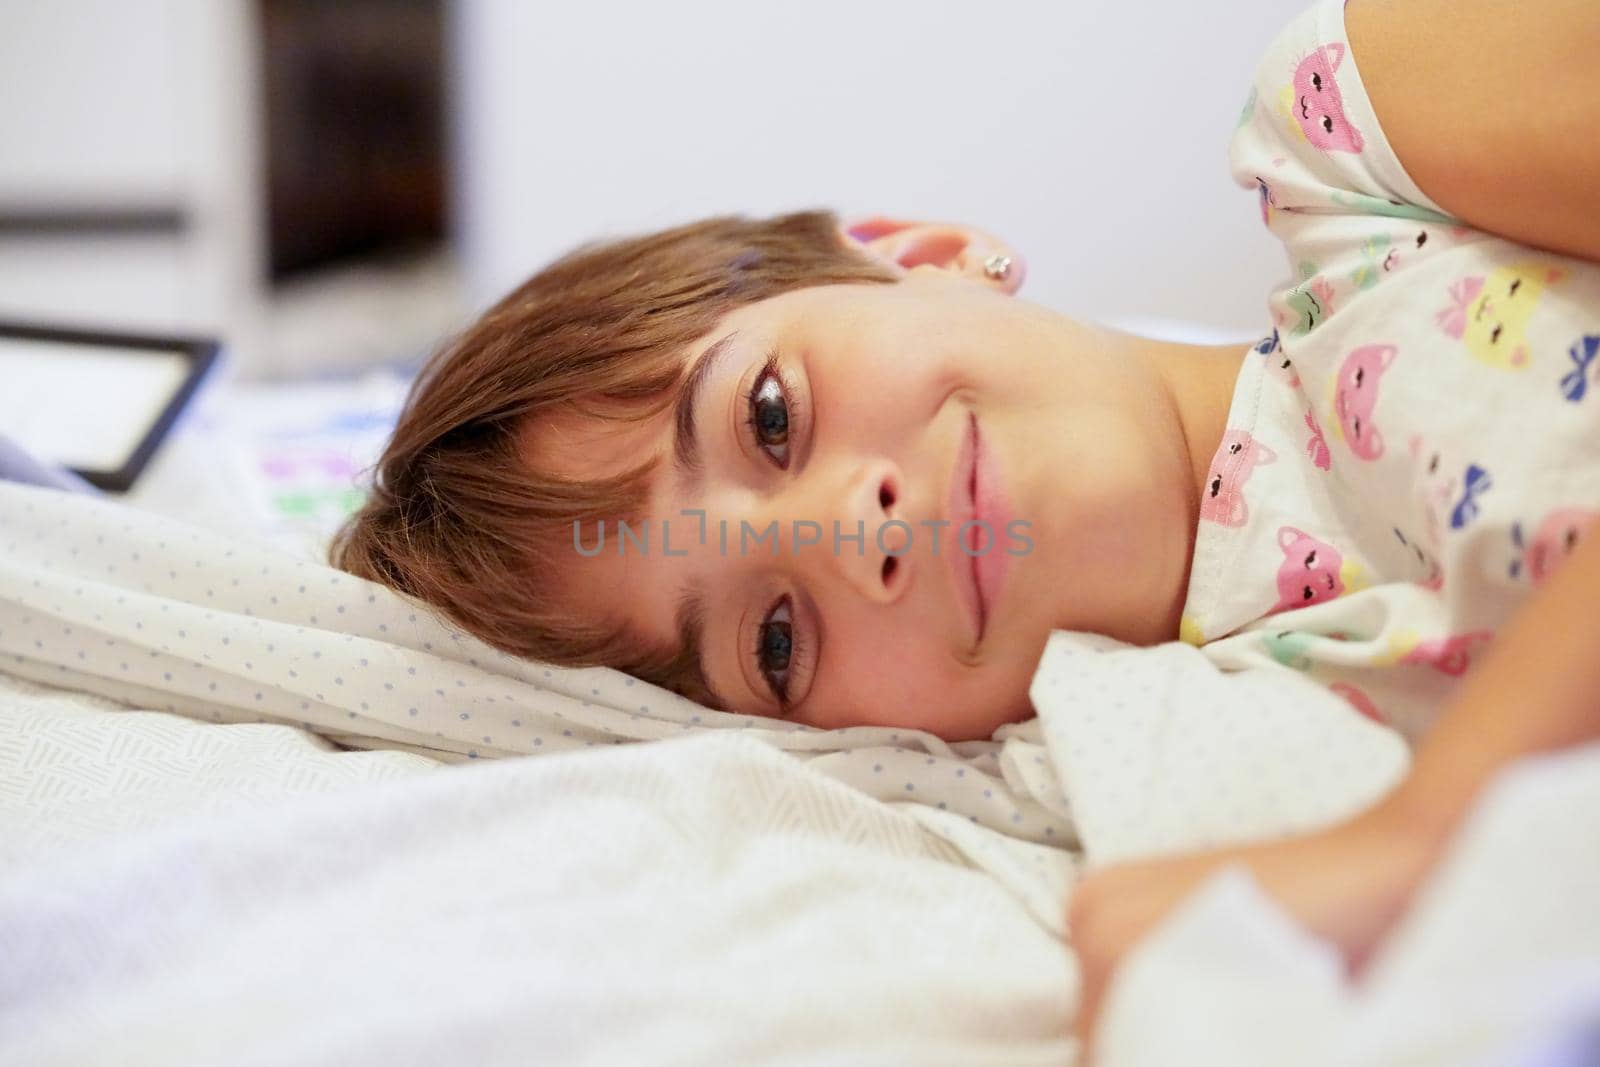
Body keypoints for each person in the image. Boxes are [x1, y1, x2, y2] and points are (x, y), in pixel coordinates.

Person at [332, 0, 1600, 1053]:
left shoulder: (1351, 145)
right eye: (774, 642)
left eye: (771, 417)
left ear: (918, 250)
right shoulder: (1208, 768)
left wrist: (1417, 841)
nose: (846, 536)